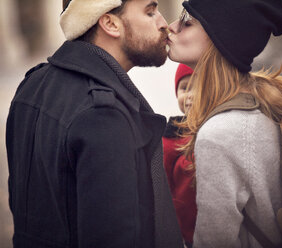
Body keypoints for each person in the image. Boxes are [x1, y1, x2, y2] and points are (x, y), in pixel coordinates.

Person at [6, 0, 183, 247]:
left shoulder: (32, 86)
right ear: (110, 23)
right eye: (150, 11)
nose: (164, 23)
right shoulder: (103, 115)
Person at [167, 0, 282, 247]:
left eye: (187, 22)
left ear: (219, 39)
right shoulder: (264, 110)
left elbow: (214, 241)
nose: (171, 26)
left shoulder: (219, 133)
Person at [162, 63, 196, 248]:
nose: (189, 95)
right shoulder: (172, 135)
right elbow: (162, 182)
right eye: (184, 88)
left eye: (197, 87)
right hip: (185, 233)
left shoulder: (220, 128)